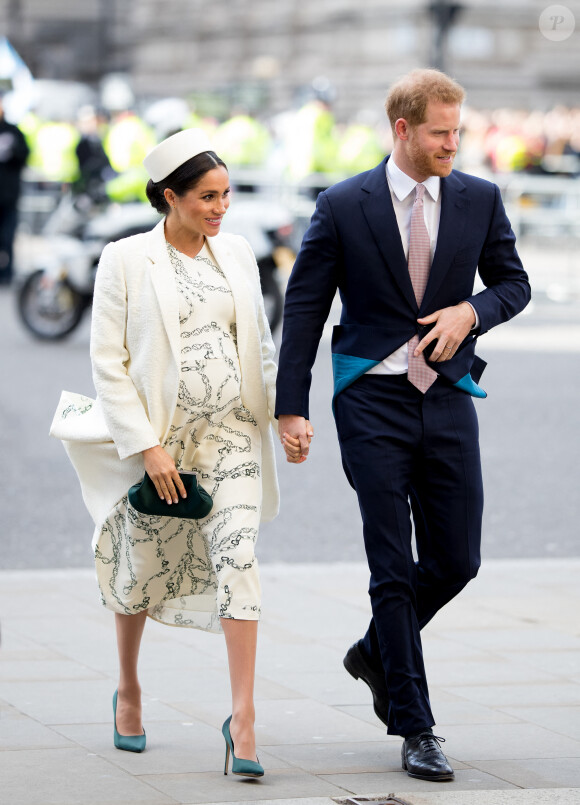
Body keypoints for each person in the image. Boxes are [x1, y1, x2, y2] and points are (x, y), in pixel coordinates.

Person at [276, 70, 531, 781]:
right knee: (391, 563)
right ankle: (416, 727)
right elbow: (305, 307)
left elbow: (515, 283)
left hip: (447, 396)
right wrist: (289, 406)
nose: (455, 142)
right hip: (371, 400)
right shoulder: (342, 204)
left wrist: (470, 311)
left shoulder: (479, 198)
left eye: (459, 130)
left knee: (457, 560)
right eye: (441, 132)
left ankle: (372, 653)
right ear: (403, 130)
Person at [50, 129, 279, 778]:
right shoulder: (124, 259)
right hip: (163, 442)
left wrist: (285, 413)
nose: (221, 208)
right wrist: (147, 448)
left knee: (239, 559)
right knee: (141, 569)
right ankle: (128, 686)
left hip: (233, 434)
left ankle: (244, 718)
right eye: (208, 196)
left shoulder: (235, 253)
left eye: (227, 194)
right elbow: (109, 362)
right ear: (170, 197)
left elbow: (259, 343)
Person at [0, 93, 29, 285]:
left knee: (8, 237)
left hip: (8, 194)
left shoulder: (13, 131)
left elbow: (25, 155)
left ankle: (7, 273)